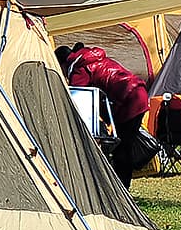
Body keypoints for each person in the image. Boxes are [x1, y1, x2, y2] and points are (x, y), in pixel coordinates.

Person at [57, 43, 153, 184]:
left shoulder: (79, 68)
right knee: (124, 144)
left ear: (63, 63)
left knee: (122, 148)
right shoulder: (93, 59)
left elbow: (76, 97)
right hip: (139, 93)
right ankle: (121, 184)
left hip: (128, 99)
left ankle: (122, 188)